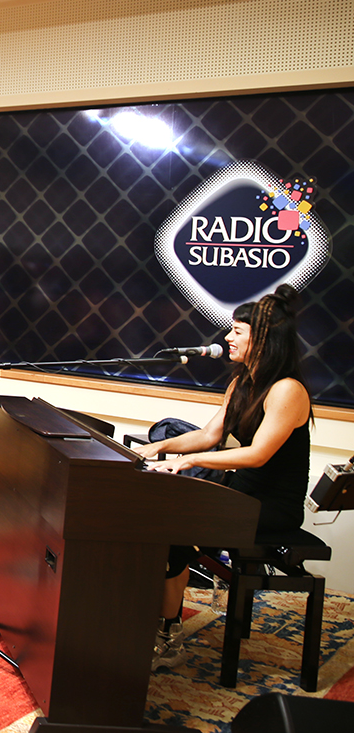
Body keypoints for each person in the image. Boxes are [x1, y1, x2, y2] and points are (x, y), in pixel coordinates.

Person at [132, 283, 313, 668]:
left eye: (237, 331)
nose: (227, 338)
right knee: (160, 515)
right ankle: (154, 620)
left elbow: (258, 454)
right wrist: (157, 448)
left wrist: (189, 463)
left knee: (174, 528)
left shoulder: (287, 390)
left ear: (264, 340)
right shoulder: (242, 383)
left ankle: (168, 636)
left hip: (271, 505)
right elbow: (209, 435)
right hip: (239, 492)